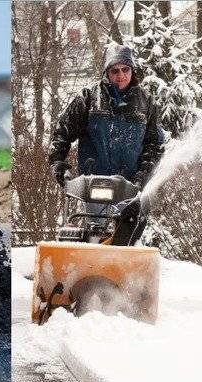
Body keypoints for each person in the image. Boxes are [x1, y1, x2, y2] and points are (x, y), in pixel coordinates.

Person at [47, 44, 165, 245]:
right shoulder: (88, 98)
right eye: (115, 71)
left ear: (132, 70)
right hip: (94, 184)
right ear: (106, 73)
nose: (121, 76)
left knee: (126, 238)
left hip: (130, 186)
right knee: (94, 233)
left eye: (125, 70)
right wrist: (58, 163)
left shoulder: (146, 102)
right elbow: (62, 133)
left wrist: (143, 174)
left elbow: (154, 144)